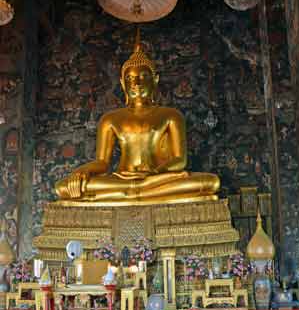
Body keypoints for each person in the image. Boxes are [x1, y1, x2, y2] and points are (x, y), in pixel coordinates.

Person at [55, 32, 219, 203]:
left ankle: (129, 194)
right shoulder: (110, 119)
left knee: (210, 182)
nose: (137, 84)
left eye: (143, 77)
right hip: (121, 179)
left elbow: (179, 160)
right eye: (130, 79)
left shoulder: (170, 115)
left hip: (157, 179)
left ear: (155, 80)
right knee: (63, 187)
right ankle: (132, 192)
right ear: (122, 83)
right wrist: (83, 171)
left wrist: (154, 173)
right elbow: (102, 162)